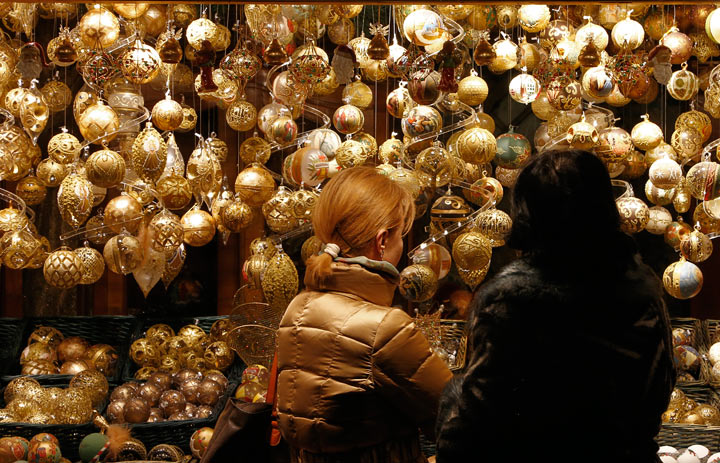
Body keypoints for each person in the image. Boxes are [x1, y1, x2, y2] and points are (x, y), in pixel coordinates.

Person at [435, 150, 675, 463]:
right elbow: (658, 391)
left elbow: (472, 424)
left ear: (527, 213)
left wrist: (450, 404)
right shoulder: (641, 289)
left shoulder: (509, 301)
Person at [277, 167, 453, 463]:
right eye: (400, 236)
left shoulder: (298, 307)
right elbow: (457, 420)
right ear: (382, 241)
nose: (402, 247)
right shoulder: (385, 327)